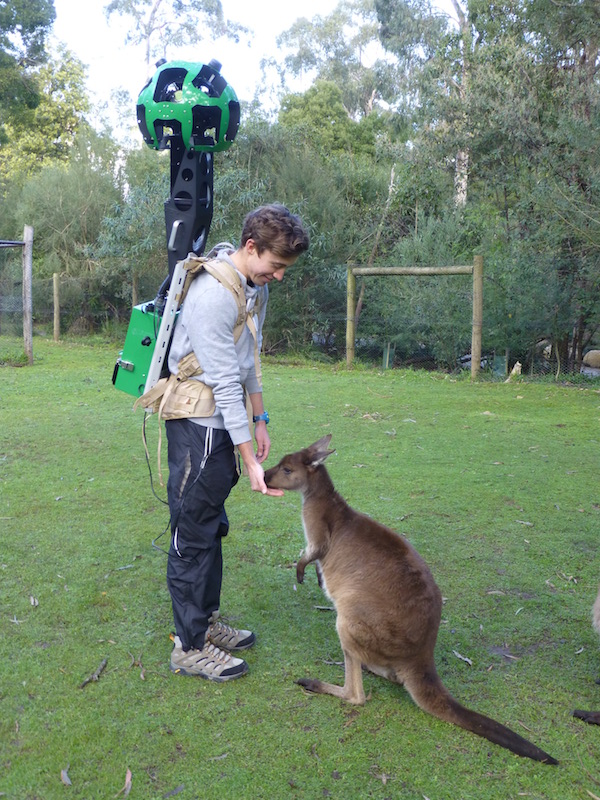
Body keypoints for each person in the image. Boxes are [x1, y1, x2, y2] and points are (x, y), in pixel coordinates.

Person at [165, 203, 310, 681]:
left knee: (211, 524)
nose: (280, 276)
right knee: (192, 532)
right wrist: (250, 460)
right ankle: (188, 647)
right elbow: (224, 383)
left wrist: (261, 418)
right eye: (276, 266)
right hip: (197, 424)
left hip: (222, 424)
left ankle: (204, 624)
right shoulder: (212, 296)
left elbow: (249, 360)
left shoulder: (252, 288)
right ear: (251, 248)